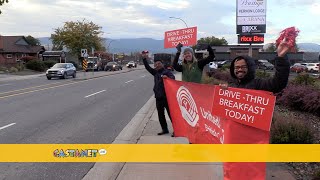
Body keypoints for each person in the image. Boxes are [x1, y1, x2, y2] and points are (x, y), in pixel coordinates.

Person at [222, 39, 291, 93]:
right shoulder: (232, 86)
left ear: (250, 68)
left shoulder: (258, 84)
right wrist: (222, 91)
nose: (240, 69)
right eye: (237, 67)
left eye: (243, 67)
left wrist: (281, 57)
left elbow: (278, 84)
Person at [141, 51, 175, 136]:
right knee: (161, 116)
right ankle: (165, 129)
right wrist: (144, 58)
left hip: (167, 98)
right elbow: (148, 67)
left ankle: (176, 130)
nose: (157, 65)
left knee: (171, 115)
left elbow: (172, 78)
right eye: (156, 64)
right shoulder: (155, 73)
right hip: (158, 98)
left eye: (159, 63)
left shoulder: (167, 72)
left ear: (162, 64)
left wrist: (167, 78)